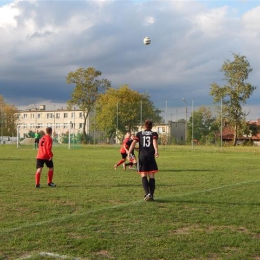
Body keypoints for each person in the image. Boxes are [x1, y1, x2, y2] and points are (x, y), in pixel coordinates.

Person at [128, 120, 159, 201]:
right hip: (150, 157)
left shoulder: (139, 133)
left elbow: (133, 143)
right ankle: (151, 195)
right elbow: (154, 141)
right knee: (151, 175)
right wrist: (156, 151)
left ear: (144, 126)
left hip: (142, 157)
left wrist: (129, 153)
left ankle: (148, 194)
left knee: (143, 175)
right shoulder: (154, 134)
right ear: (151, 126)